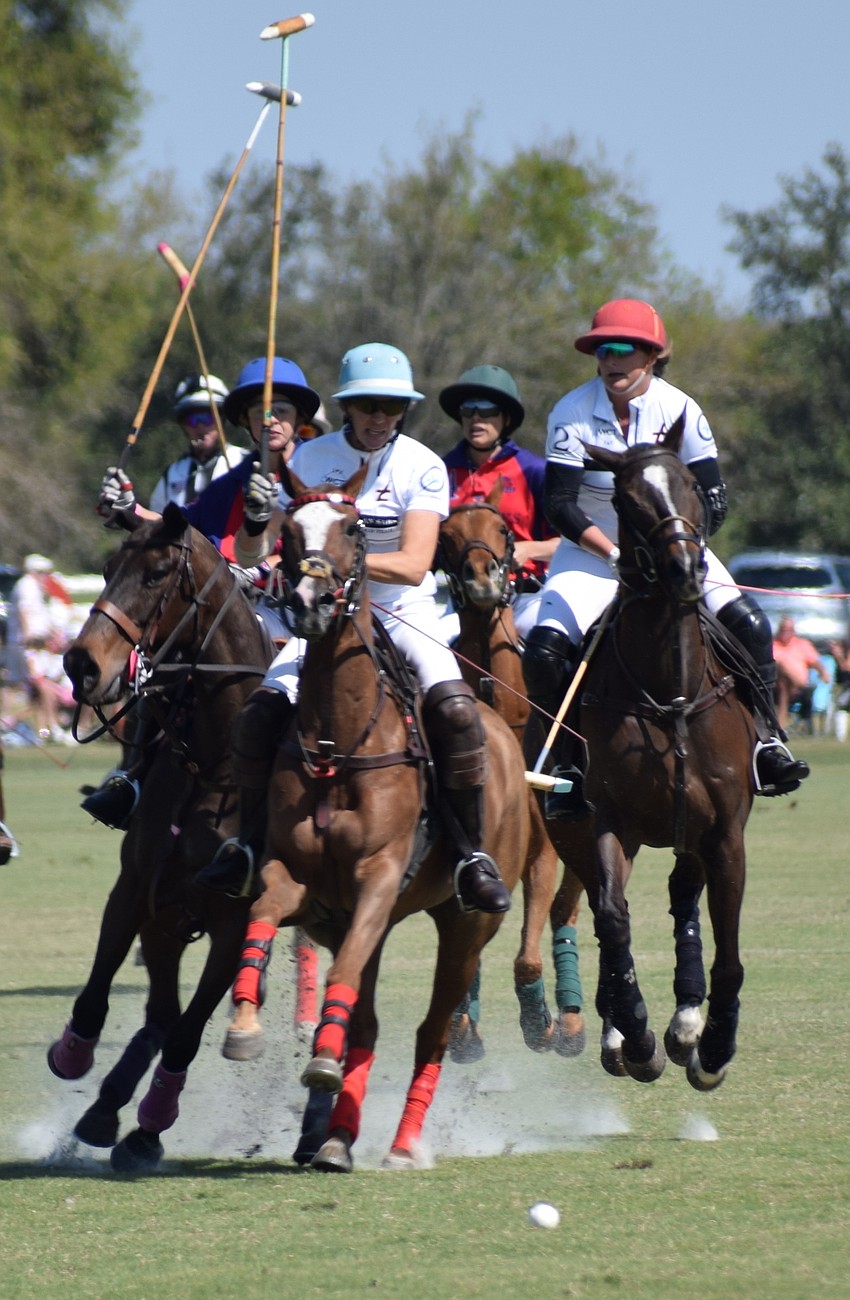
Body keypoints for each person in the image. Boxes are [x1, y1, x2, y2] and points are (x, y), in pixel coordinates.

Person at [196, 342, 511, 916]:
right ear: (347, 406)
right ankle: (245, 844)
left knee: (457, 711)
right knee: (260, 712)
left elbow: (415, 563)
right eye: (367, 405)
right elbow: (252, 552)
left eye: (391, 407)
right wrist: (261, 518)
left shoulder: (422, 465)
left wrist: (337, 565)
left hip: (402, 611)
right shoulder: (310, 463)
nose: (378, 417)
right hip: (322, 618)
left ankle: (469, 854)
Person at [522, 298, 810, 817]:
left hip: (677, 553)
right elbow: (560, 504)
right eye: (603, 349)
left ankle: (768, 740)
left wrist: (683, 551)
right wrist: (613, 553)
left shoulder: (682, 410)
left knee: (750, 625)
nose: (612, 360)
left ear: (652, 357)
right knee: (544, 649)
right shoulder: (570, 412)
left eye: (625, 350)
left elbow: (714, 499)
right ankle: (566, 765)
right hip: (593, 556)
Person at [86, 356, 322, 828]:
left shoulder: (321, 469)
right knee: (168, 665)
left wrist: (260, 571)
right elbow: (183, 528)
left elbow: (321, 540)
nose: (270, 420)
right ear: (244, 422)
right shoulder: (238, 477)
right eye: (259, 413)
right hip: (249, 612)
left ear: (299, 418)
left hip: (310, 609)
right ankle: (135, 775)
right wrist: (129, 511)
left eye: (280, 410)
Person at [438, 365, 559, 639]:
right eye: (468, 409)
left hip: (526, 596)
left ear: (506, 418)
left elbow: (570, 541)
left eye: (487, 409)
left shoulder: (534, 470)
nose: (476, 418)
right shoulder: (440, 471)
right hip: (462, 600)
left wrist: (529, 549)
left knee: (547, 646)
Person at [149, 374, 248, 513]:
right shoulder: (172, 474)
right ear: (183, 425)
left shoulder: (244, 461)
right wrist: (128, 507)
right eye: (192, 420)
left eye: (207, 418)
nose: (200, 427)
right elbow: (154, 523)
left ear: (222, 418)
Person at [6, 554, 76, 746]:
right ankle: (47, 728)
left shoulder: (36, 588)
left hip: (36, 646)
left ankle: (43, 730)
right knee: (37, 687)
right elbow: (25, 613)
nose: (46, 576)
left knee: (38, 689)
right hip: (29, 647)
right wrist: (30, 639)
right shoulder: (27, 585)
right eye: (43, 573)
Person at [773, 615, 830, 730]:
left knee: (784, 677)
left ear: (793, 631)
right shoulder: (773, 645)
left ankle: (780, 724)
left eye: (789, 630)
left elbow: (815, 662)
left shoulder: (802, 644)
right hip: (776, 686)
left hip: (801, 687)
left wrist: (823, 672)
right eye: (783, 629)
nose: (786, 632)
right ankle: (780, 725)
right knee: (783, 677)